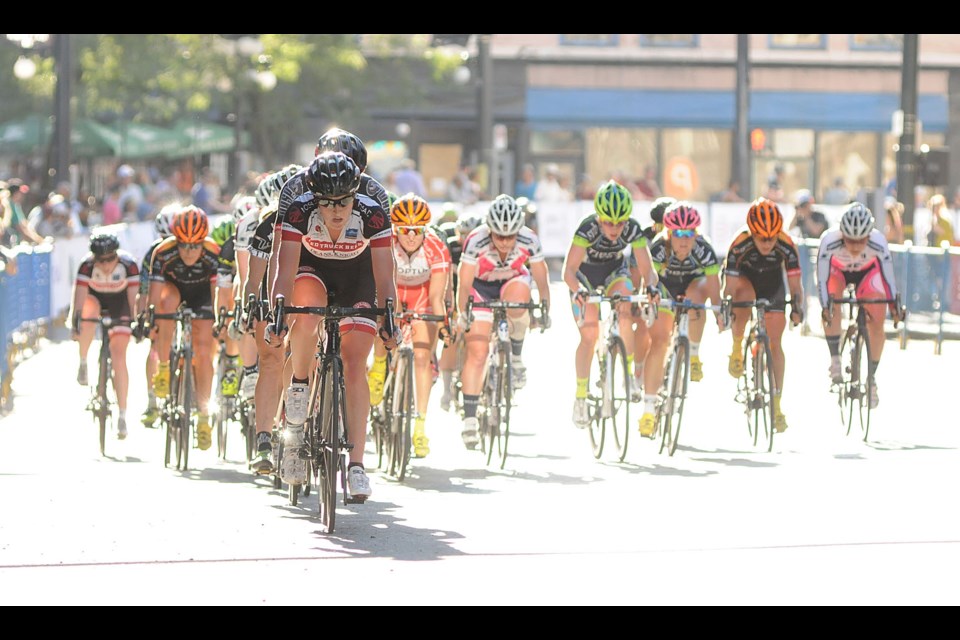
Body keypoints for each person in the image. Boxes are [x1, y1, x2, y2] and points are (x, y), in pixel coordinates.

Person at [268, 152, 396, 500]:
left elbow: (385, 274)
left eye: (344, 201)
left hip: (358, 277)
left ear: (356, 195)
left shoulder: (373, 212)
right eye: (327, 202)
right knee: (307, 313)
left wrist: (390, 317)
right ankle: (299, 384)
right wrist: (277, 312)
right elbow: (284, 268)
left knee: (355, 363)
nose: (337, 210)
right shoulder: (299, 209)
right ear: (315, 199)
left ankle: (356, 466)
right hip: (313, 269)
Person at [562, 180, 659, 429]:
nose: (615, 228)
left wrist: (651, 287)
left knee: (625, 305)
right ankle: (581, 397)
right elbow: (568, 271)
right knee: (589, 335)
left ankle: (628, 374)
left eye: (620, 222)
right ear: (598, 217)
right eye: (608, 222)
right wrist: (579, 291)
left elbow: (648, 270)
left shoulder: (632, 230)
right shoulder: (587, 229)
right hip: (585, 276)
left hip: (614, 272)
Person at [456, 194, 551, 448]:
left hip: (511, 283)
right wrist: (462, 311)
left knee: (521, 297)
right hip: (480, 287)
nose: (505, 242)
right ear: (490, 230)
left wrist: (544, 308)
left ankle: (516, 356)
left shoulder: (529, 239)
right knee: (477, 351)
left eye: (510, 236)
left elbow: (541, 277)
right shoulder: (476, 240)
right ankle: (470, 419)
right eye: (499, 236)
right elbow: (464, 282)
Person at [368, 194, 451, 458]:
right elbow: (382, 286)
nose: (411, 237)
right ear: (395, 229)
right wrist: (391, 314)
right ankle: (379, 367)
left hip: (423, 297)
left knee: (423, 356)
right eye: (404, 230)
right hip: (393, 293)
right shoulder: (387, 244)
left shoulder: (436, 248)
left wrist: (444, 324)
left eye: (417, 231)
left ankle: (420, 426)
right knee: (384, 323)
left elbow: (437, 296)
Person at [637, 203, 722, 437]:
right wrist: (650, 300)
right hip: (665, 286)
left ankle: (693, 353)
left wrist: (719, 312)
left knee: (696, 299)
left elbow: (714, 285)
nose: (684, 240)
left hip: (693, 284)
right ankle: (648, 410)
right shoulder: (658, 249)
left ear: (696, 234)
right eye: (678, 234)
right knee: (661, 340)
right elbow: (650, 281)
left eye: (689, 234)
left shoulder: (704, 249)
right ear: (668, 234)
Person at [723, 198, 804, 433]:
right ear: (752, 233)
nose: (768, 243)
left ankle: (777, 405)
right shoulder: (739, 243)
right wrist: (726, 306)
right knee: (743, 295)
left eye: (772, 238)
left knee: (776, 343)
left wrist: (797, 308)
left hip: (772, 284)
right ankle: (737, 346)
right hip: (743, 280)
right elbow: (728, 286)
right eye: (762, 238)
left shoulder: (786, 244)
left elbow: (795, 285)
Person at [243, 165, 302, 474]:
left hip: (308, 292)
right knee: (271, 360)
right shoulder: (268, 225)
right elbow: (254, 280)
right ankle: (264, 439)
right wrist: (252, 307)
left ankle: (305, 421)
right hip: (272, 293)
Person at [148, 205, 220, 450]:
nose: (189, 252)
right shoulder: (163, 252)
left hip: (202, 295)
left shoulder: (213, 253)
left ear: (203, 242)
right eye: (184, 245)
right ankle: (165, 367)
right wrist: (150, 319)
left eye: (195, 245)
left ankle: (203, 416)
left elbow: (217, 292)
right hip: (174, 290)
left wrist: (219, 319)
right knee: (166, 304)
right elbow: (154, 295)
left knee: (203, 351)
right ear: (175, 240)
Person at [816, 202, 902, 409]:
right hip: (838, 272)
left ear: (869, 236)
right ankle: (835, 358)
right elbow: (822, 279)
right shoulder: (828, 241)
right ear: (842, 234)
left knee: (877, 318)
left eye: (860, 240)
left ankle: (871, 378)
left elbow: (888, 279)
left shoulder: (879, 242)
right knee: (831, 302)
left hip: (867, 273)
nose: (854, 247)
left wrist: (895, 307)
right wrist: (826, 305)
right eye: (849, 240)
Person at [69, 232, 140, 439]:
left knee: (119, 356)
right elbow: (79, 300)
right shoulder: (87, 266)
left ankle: (123, 415)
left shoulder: (129, 265)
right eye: (101, 260)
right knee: (87, 313)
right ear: (94, 258)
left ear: (117, 255)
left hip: (120, 304)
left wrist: (135, 323)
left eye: (110, 259)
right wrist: (76, 323)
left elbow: (133, 300)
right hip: (96, 299)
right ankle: (83, 361)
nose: (106, 264)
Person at [137, 204, 179, 428]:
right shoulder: (153, 253)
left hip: (187, 294)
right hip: (163, 296)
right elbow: (144, 290)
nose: (169, 243)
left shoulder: (194, 246)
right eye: (164, 237)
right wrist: (143, 317)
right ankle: (151, 401)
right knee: (154, 345)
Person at [437, 212, 482, 411]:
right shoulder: (452, 246)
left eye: (471, 234)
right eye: (463, 234)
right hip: (454, 294)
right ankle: (446, 389)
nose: (466, 238)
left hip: (476, 295)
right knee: (452, 336)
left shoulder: (483, 248)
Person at [2, 179, 45, 245]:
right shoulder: (9, 205)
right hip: (7, 243)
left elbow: (25, 225)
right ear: (15, 193)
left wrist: (40, 239)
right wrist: (41, 242)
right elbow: (22, 229)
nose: (22, 195)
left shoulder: (16, 206)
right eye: (20, 193)